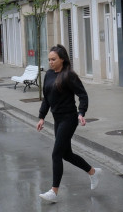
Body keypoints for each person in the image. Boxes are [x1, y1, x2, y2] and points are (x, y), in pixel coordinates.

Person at [36, 44, 101, 203]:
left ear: (62, 59)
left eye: (53, 59)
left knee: (56, 154)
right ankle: (93, 172)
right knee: (66, 154)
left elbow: (83, 95)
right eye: (49, 59)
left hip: (69, 119)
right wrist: (42, 116)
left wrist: (81, 113)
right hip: (57, 118)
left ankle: (54, 191)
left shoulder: (69, 76)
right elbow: (47, 98)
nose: (50, 62)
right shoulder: (49, 75)